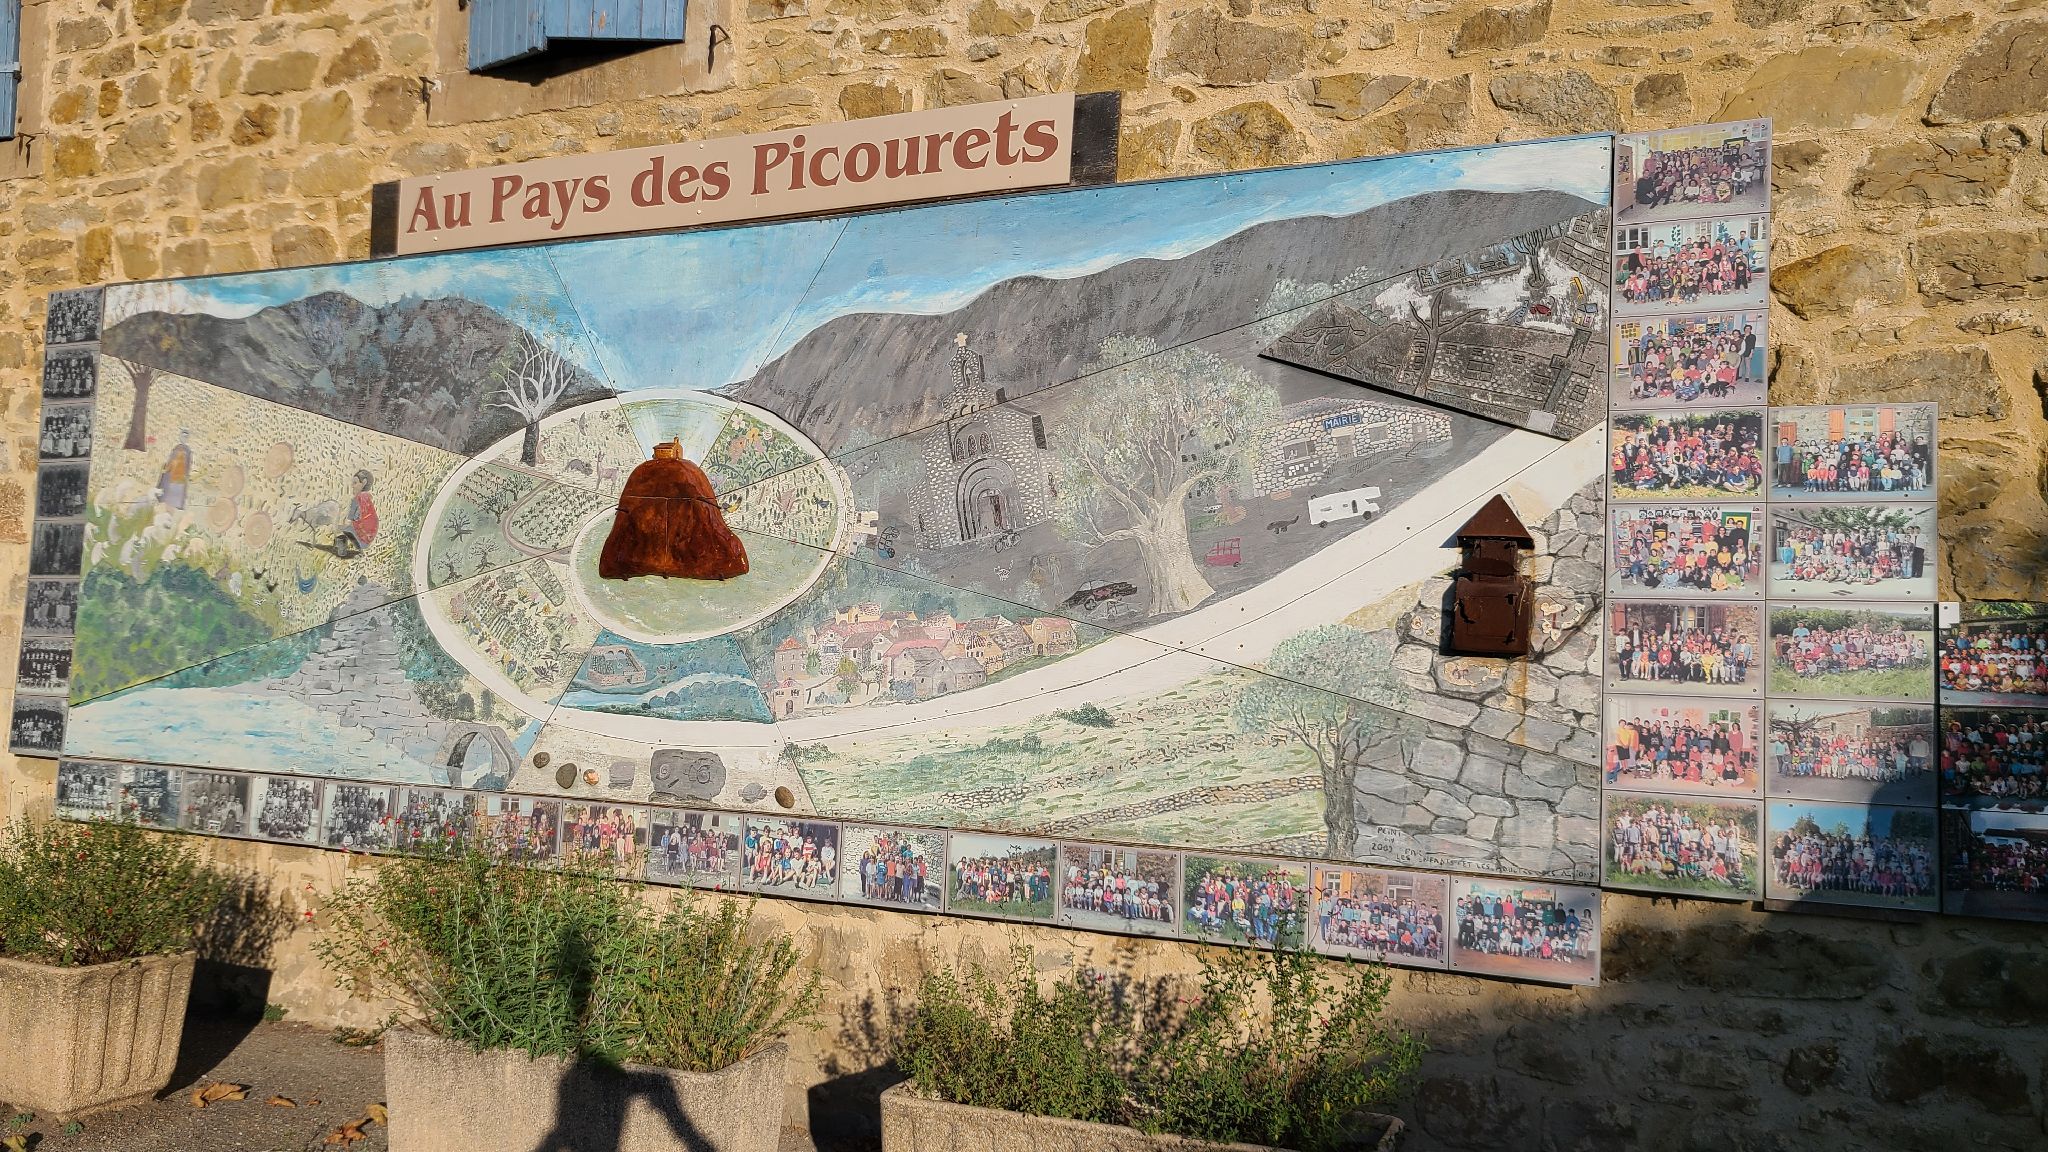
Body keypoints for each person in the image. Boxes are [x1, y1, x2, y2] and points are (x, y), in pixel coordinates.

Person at [337, 469, 378, 558]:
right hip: (370, 536)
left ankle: (348, 551)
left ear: (364, 482)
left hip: (362, 539)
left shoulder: (356, 500)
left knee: (344, 530)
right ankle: (359, 551)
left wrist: (337, 527)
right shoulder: (368, 498)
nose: (352, 486)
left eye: (355, 483)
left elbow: (349, 521)